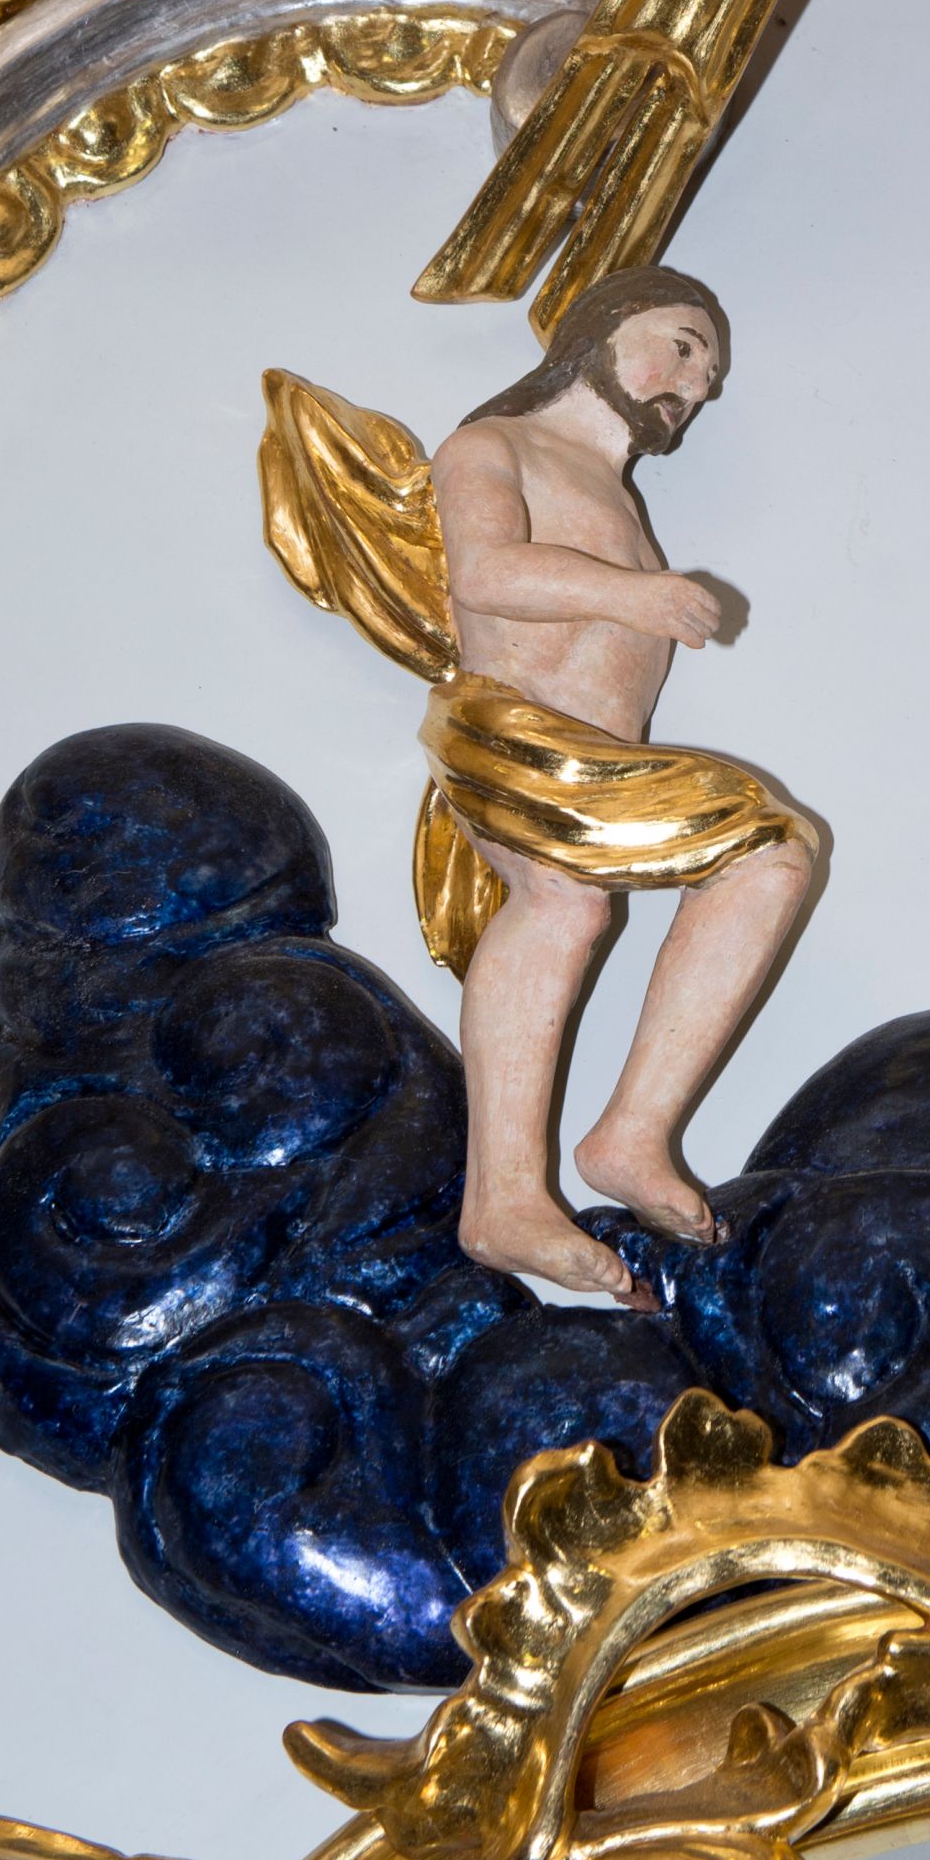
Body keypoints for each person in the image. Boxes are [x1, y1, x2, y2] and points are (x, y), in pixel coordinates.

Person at [261, 266, 823, 1313]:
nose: (694, 385)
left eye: (709, 376)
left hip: (584, 763)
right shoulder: (495, 445)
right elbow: (484, 573)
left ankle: (574, 1162)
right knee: (728, 855)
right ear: (601, 330)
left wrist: (640, 592)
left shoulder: (624, 505)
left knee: (617, 893)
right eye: (683, 345)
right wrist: (638, 594)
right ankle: (550, 1172)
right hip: (512, 737)